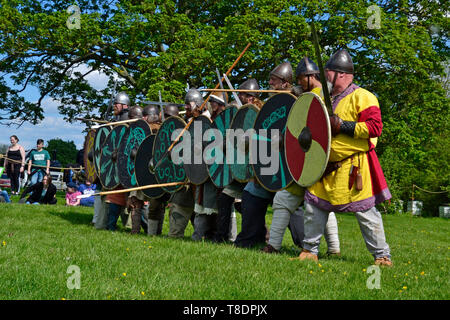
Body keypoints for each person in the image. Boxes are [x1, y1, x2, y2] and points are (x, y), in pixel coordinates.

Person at [300, 49, 393, 266]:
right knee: (313, 208)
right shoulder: (322, 97)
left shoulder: (364, 97)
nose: (325, 77)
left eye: (328, 73)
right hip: (324, 166)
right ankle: (309, 250)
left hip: (353, 167)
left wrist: (344, 126)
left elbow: (375, 127)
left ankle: (382, 255)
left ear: (340, 74)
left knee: (366, 213)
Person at [262, 57, 341, 256]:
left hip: (319, 157)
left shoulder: (326, 93)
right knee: (282, 198)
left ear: (310, 76)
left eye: (300, 79)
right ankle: (273, 245)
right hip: (302, 155)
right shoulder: (305, 95)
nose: (298, 83)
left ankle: (334, 249)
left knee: (321, 202)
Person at [214, 79, 263, 244]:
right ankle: (220, 236)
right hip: (239, 165)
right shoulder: (239, 111)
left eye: (242, 94)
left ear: (250, 97)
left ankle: (263, 235)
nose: (239, 97)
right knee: (225, 198)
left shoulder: (260, 111)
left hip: (254, 167)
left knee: (248, 203)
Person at [191, 92, 227, 241]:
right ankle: (199, 235)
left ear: (219, 104)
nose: (210, 104)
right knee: (202, 203)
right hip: (206, 168)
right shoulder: (210, 120)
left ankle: (219, 236)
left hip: (219, 169)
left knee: (217, 206)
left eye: (213, 101)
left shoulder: (225, 121)